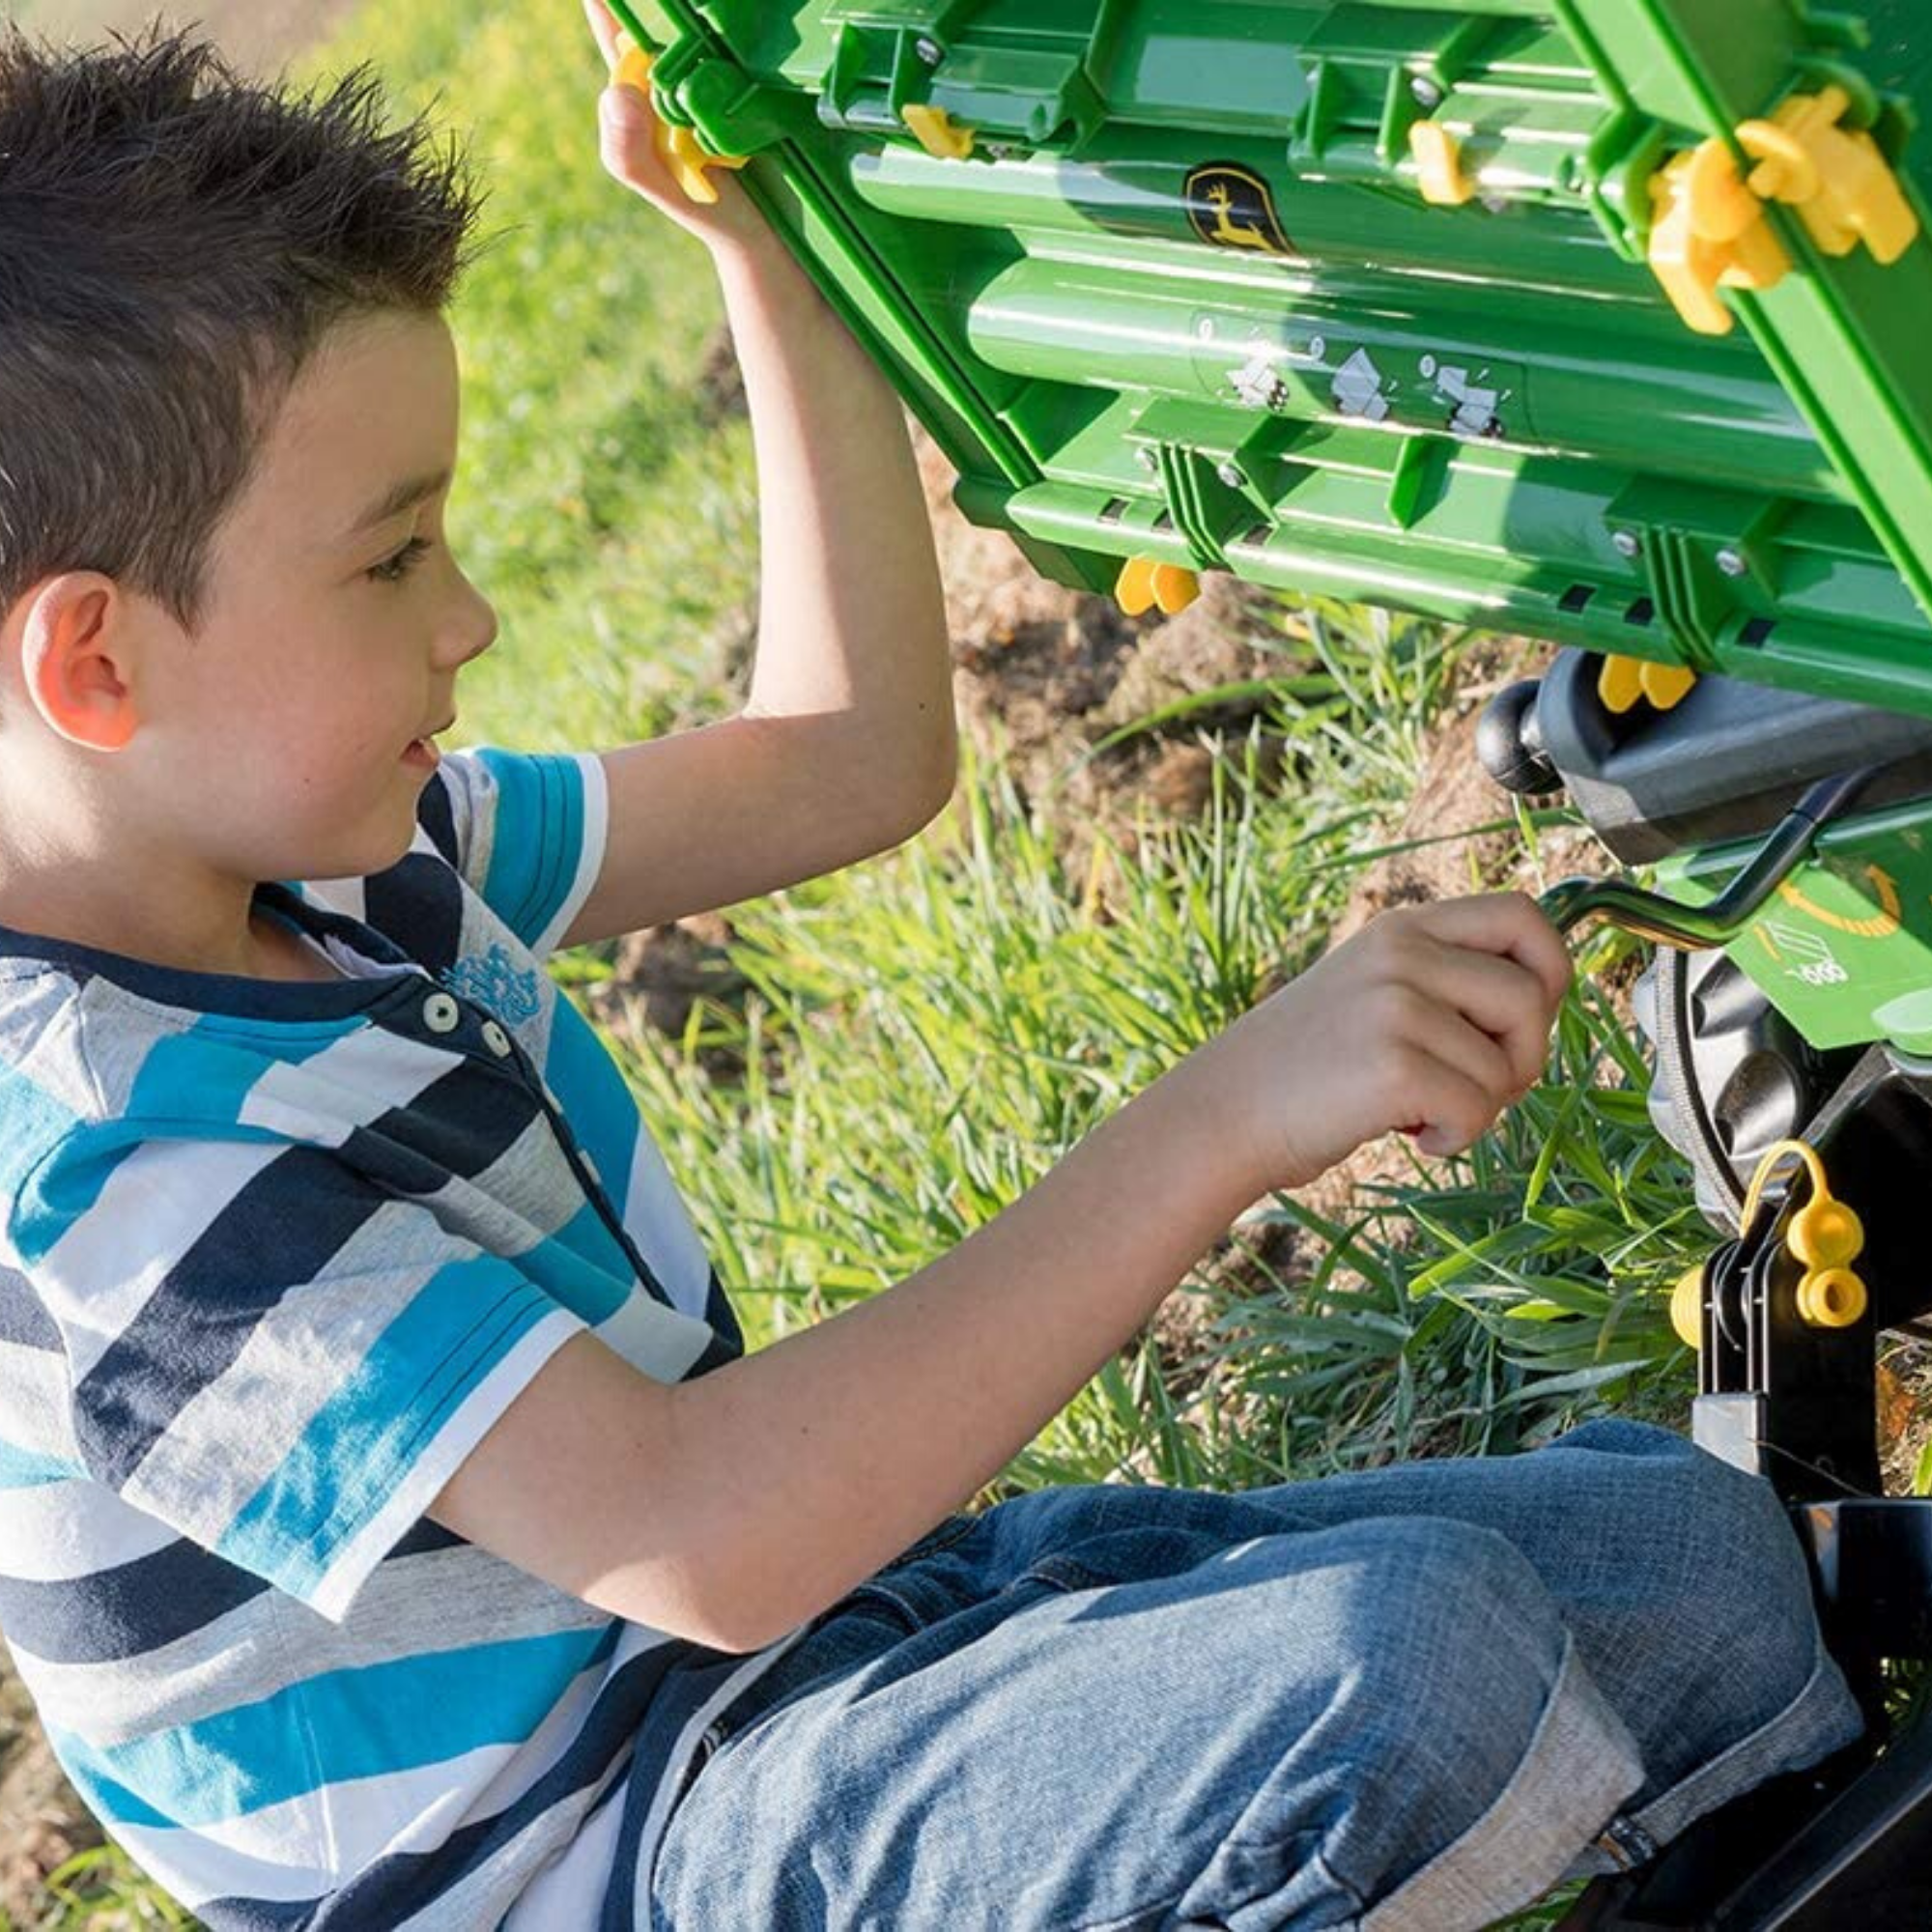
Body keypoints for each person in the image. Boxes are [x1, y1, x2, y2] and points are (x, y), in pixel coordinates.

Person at [0, 12, 1865, 1929]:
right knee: (1400, 1675)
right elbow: (698, 1532)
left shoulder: (345, 860)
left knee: (1696, 1567)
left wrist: (771, 262)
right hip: (620, 1855)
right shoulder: (118, 1185)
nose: (468, 614)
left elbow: (846, 754)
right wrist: (1226, 1113)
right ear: (97, 664)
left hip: (812, 1668)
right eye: (392, 560)